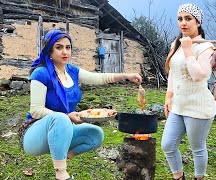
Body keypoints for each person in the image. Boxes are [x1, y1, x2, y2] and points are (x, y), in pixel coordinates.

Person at [19, 29, 142, 180]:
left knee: (96, 134)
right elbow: (36, 111)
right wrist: (67, 116)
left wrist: (126, 75)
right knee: (61, 119)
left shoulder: (72, 71)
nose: (65, 51)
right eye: (59, 47)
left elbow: (99, 78)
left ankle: (62, 156)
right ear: (49, 51)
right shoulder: (41, 73)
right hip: (35, 134)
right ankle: (61, 174)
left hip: (63, 130)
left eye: (68, 47)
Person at [161, 3, 216, 180]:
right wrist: (169, 96)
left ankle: (198, 178)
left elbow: (199, 75)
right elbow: (173, 74)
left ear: (198, 22)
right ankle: (179, 177)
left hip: (198, 107)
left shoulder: (206, 47)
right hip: (178, 105)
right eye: (180, 19)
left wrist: (188, 51)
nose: (183, 23)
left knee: (197, 148)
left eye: (188, 19)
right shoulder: (176, 44)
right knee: (167, 145)